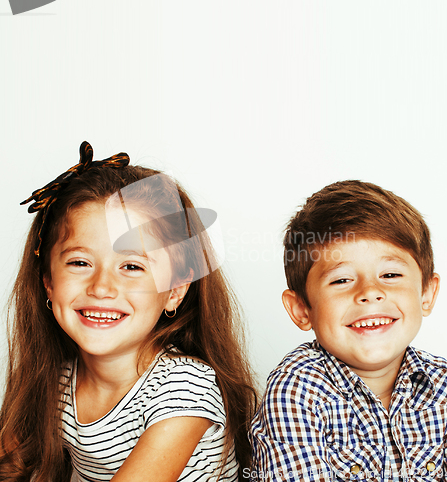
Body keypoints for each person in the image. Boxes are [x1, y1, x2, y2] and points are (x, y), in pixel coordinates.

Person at [0, 142, 256, 482]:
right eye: (80, 262)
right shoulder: (57, 381)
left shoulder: (185, 388)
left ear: (175, 291)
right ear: (48, 282)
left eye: (132, 266)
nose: (102, 287)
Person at [250, 180, 447, 481]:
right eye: (342, 280)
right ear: (301, 309)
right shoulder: (297, 390)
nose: (370, 292)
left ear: (427, 293)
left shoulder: (446, 387)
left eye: (391, 274)